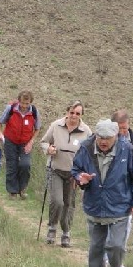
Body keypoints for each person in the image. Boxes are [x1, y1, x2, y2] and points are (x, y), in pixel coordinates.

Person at [71, 119, 133, 267]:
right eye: (100, 137)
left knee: (116, 246)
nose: (103, 141)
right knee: (96, 249)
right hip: (95, 206)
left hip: (119, 207)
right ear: (95, 135)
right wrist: (81, 177)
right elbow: (75, 169)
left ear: (116, 136)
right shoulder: (85, 147)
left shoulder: (126, 149)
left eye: (108, 138)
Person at [40, 100, 92, 247]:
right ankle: (52, 228)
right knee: (57, 201)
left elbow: (90, 154)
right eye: (71, 112)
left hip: (73, 174)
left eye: (77, 113)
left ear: (81, 115)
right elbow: (44, 142)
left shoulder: (86, 131)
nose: (74, 116)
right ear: (67, 112)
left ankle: (66, 232)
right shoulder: (56, 125)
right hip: (55, 169)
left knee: (68, 204)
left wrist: (82, 173)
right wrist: (48, 149)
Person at [104, 109, 133, 267]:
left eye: (125, 128)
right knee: (108, 224)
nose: (123, 131)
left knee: (125, 226)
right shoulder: (106, 140)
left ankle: (117, 260)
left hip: (129, 191)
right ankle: (105, 258)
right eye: (120, 128)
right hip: (110, 191)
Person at [0, 90, 40, 200]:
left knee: (25, 164)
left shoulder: (34, 111)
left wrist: (31, 142)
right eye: (22, 103)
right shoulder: (10, 109)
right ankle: (12, 192)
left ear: (30, 102)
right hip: (10, 140)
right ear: (19, 101)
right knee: (12, 165)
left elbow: (37, 128)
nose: (24, 106)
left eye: (27, 103)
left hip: (25, 142)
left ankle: (22, 189)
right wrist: (0, 133)